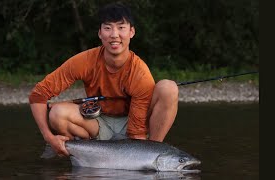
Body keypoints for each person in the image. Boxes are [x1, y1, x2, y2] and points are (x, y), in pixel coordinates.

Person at [29, 2, 178, 157]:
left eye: (121, 27)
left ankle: (154, 152)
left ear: (132, 32)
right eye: (108, 28)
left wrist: (137, 148)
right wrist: (49, 137)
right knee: (56, 113)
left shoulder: (140, 73)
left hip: (133, 123)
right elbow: (38, 95)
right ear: (100, 33)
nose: (114, 34)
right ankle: (85, 153)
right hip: (98, 123)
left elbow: (136, 133)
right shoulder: (85, 61)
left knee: (169, 88)